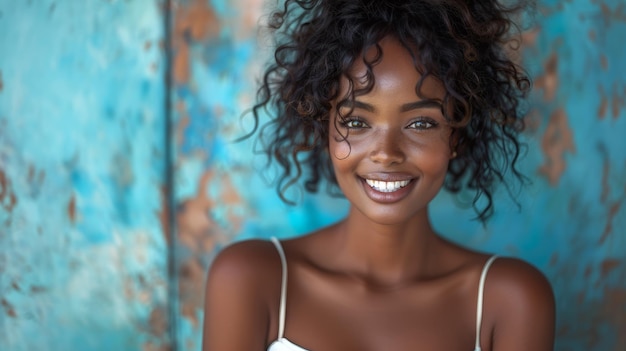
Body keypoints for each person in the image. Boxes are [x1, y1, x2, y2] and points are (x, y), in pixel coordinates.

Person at [202, 0, 555, 350]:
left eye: (421, 123)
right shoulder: (252, 280)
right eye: (356, 121)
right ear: (323, 127)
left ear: (456, 136)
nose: (386, 152)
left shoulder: (509, 300)